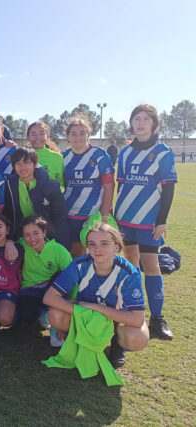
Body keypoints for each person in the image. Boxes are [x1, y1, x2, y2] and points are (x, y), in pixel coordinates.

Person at [44, 224, 149, 368]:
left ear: (116, 247)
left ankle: (116, 345)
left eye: (104, 243)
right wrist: (87, 313)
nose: (97, 249)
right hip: (87, 315)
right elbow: (49, 298)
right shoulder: (80, 264)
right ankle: (77, 339)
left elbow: (137, 319)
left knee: (137, 338)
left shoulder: (129, 272)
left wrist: (95, 308)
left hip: (116, 317)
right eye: (92, 244)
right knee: (55, 315)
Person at [114, 104, 177, 340]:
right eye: (136, 119)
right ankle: (132, 310)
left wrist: (162, 221)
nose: (140, 123)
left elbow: (168, 189)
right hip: (125, 220)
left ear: (153, 124)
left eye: (145, 119)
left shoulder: (163, 152)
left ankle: (158, 319)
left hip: (149, 222)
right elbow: (122, 185)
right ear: (131, 123)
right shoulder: (125, 152)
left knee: (152, 266)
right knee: (131, 267)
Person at [62, 115, 115, 258]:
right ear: (67, 136)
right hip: (70, 214)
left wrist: (104, 216)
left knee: (96, 254)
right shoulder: (64, 156)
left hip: (93, 215)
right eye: (73, 133)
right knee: (74, 254)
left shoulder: (100, 155)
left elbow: (109, 186)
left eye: (82, 133)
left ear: (89, 134)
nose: (77, 137)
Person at [18, 216, 72, 345]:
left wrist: (69, 307)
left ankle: (57, 324)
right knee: (26, 314)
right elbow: (9, 242)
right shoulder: (21, 244)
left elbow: (72, 277)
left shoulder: (58, 250)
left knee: (62, 276)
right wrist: (9, 244)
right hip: (30, 289)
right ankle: (43, 317)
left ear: (44, 232)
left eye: (36, 233)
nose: (32, 239)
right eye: (27, 235)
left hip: (51, 289)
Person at [3, 147, 71, 250]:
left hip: (48, 237)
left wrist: (59, 244)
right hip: (22, 237)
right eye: (18, 164)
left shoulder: (51, 186)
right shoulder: (9, 186)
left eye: (27, 163)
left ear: (35, 164)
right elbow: (9, 214)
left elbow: (60, 217)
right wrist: (11, 239)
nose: (22, 167)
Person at [25, 122, 64, 189]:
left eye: (42, 133)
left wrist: (54, 191)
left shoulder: (57, 158)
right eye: (34, 134)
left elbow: (62, 185)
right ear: (28, 137)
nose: (38, 137)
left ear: (48, 136)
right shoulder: (22, 156)